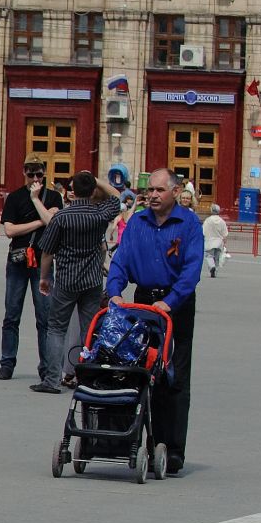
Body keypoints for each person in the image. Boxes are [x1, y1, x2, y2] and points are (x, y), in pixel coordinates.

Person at [104, 170, 201, 476]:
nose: (153, 195)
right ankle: (124, 439)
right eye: (150, 190)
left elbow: (191, 271)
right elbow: (121, 260)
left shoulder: (188, 224)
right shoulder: (138, 222)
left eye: (160, 190)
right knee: (132, 370)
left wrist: (170, 302)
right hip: (143, 301)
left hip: (176, 305)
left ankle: (171, 450)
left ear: (175, 192)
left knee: (173, 377)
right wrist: (115, 293)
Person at [36, 170, 118, 393]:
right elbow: (116, 196)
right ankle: (88, 377)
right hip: (91, 280)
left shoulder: (62, 217)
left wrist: (45, 277)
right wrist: (96, 179)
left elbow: (47, 251)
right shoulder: (100, 214)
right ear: (92, 191)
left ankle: (52, 379)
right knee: (89, 329)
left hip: (66, 278)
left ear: (71, 192)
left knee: (56, 329)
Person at [0, 161, 62, 381]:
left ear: (45, 174)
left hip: (43, 263)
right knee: (11, 315)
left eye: (39, 175)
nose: (35, 179)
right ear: (24, 172)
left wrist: (36, 200)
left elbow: (53, 223)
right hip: (17, 261)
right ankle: (7, 363)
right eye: (31, 174)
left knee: (45, 317)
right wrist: (38, 221)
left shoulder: (53, 197)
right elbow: (9, 230)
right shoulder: (14, 198)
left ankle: (46, 368)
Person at [202, 204, 228, 278]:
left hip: (209, 241)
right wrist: (225, 241)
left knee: (209, 255)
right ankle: (215, 270)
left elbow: (203, 231)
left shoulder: (208, 220)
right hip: (219, 242)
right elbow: (225, 233)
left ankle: (212, 266)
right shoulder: (222, 221)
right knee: (217, 257)